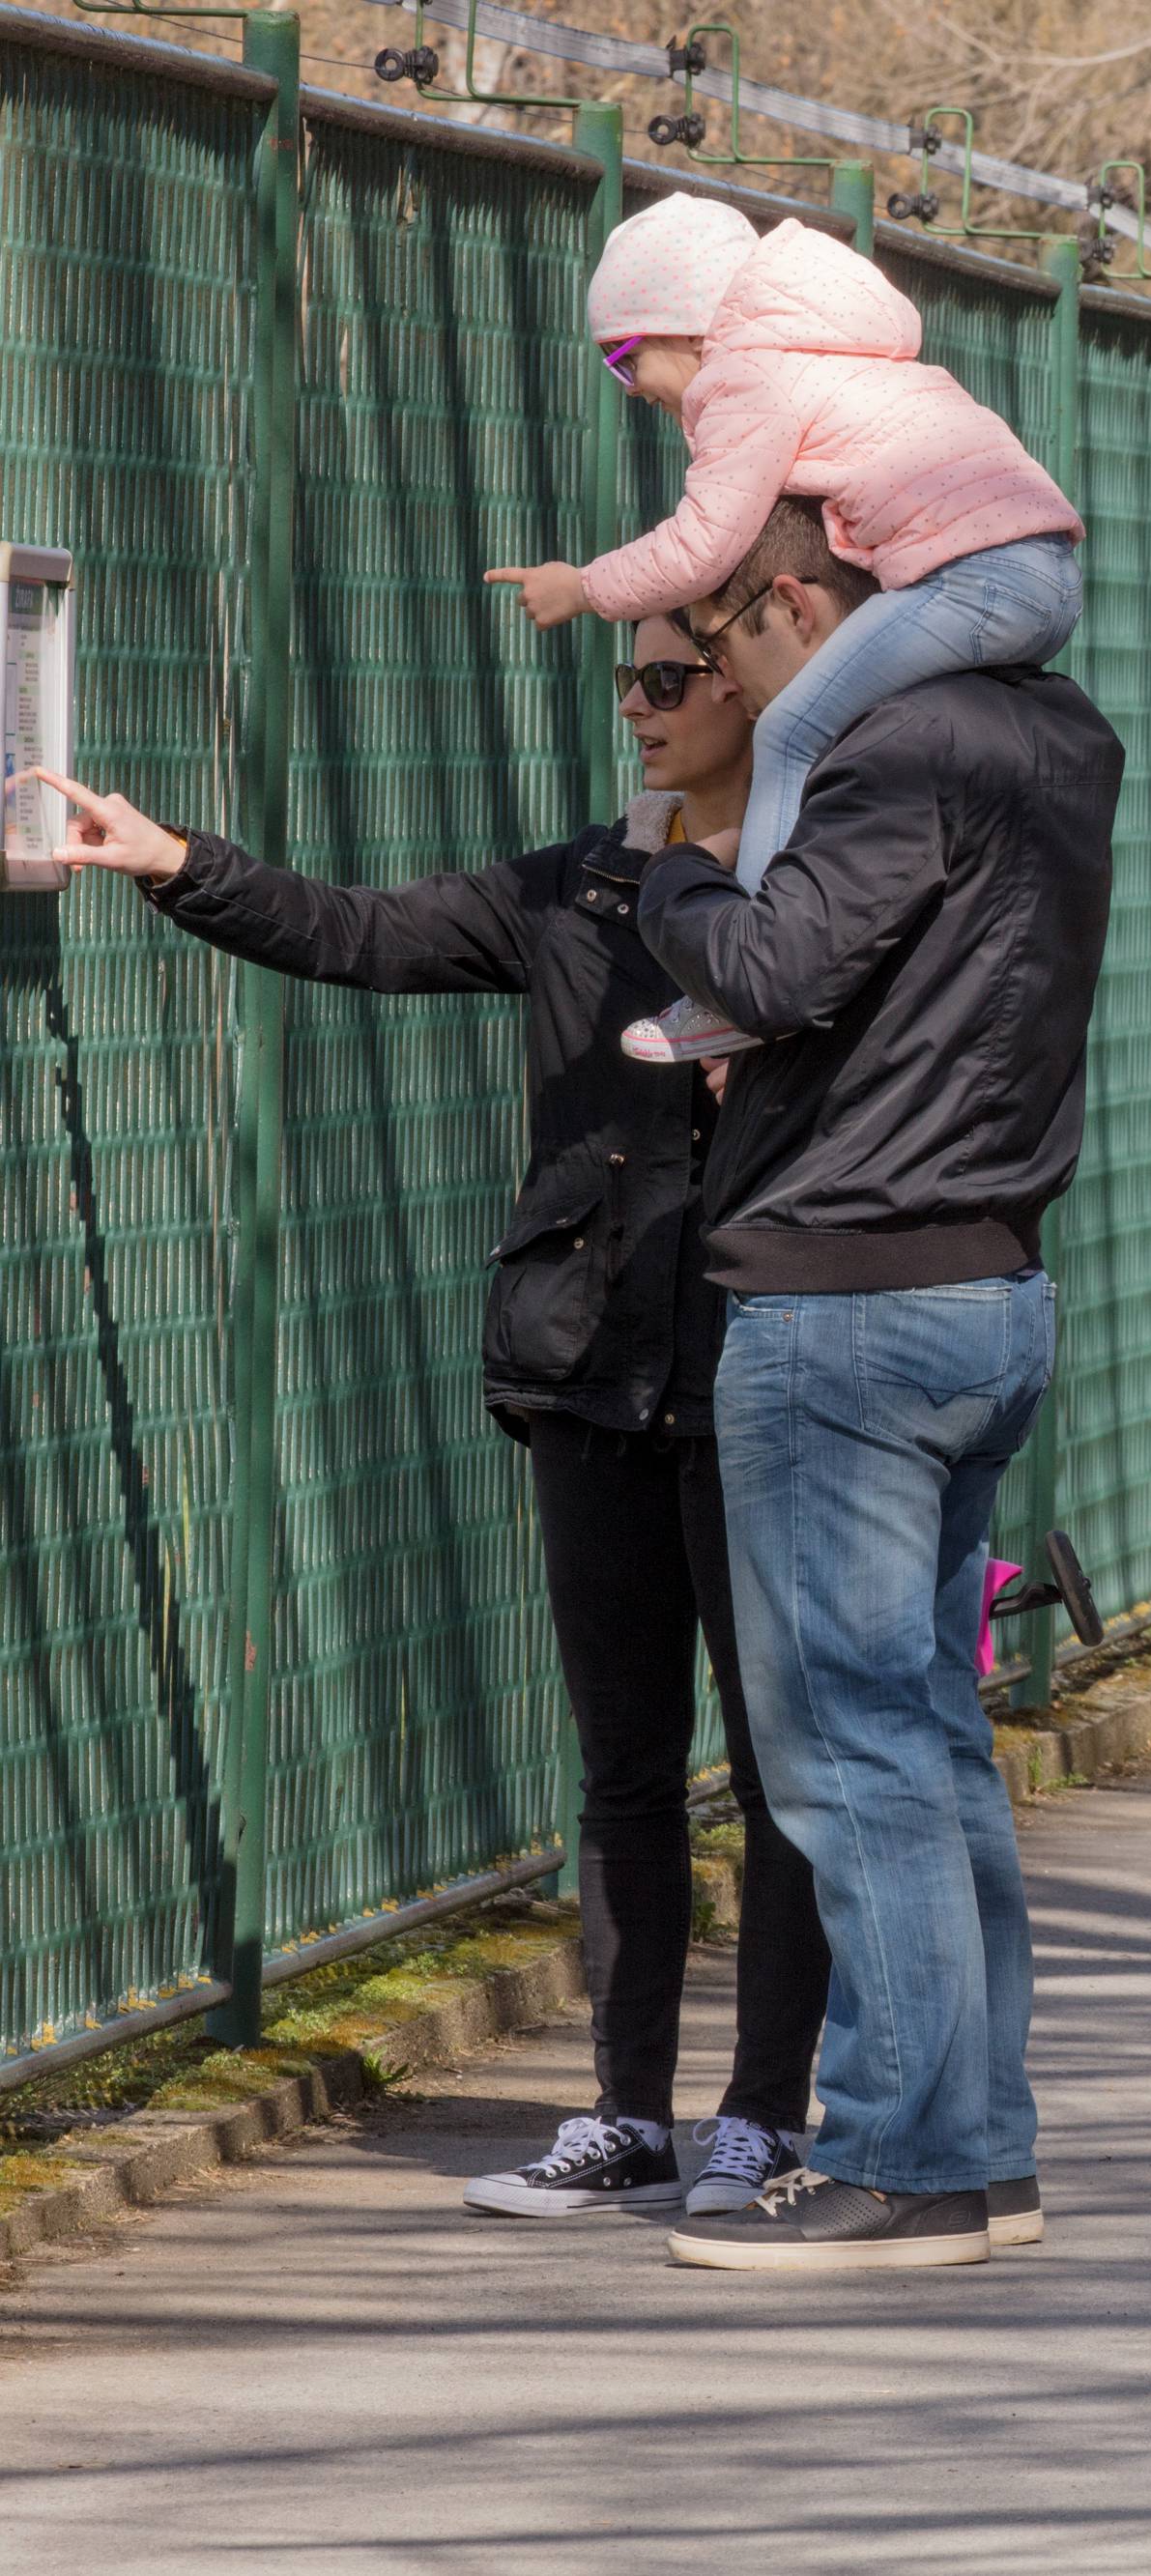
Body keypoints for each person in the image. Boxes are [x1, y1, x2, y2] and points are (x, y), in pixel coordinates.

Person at [14, 614, 833, 2219]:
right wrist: (174, 859)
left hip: (768, 1375)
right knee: (622, 1771)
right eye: (628, 679)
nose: (639, 707)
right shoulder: (577, 886)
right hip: (590, 1370)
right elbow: (364, 933)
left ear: (758, 684)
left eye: (669, 678)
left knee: (787, 1764)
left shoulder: (824, 894)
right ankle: (625, 2117)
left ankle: (765, 2116)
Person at [633, 496, 1123, 2273]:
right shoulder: (1055, 731)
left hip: (843, 1304)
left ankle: (904, 2160)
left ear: (791, 597)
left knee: (848, 1757)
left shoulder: (890, 742)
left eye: (720, 649)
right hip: (983, 1280)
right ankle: (975, 2150)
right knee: (928, 1744)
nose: (731, 698)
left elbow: (777, 961)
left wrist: (675, 865)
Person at [485, 191, 1084, 1065]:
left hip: (980, 578)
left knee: (796, 727)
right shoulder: (821, 353)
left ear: (685, 328)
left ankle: (740, 968)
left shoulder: (743, 374)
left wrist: (583, 586)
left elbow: (705, 542)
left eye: (622, 359)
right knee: (872, 728)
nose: (629, 389)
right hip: (1043, 573)